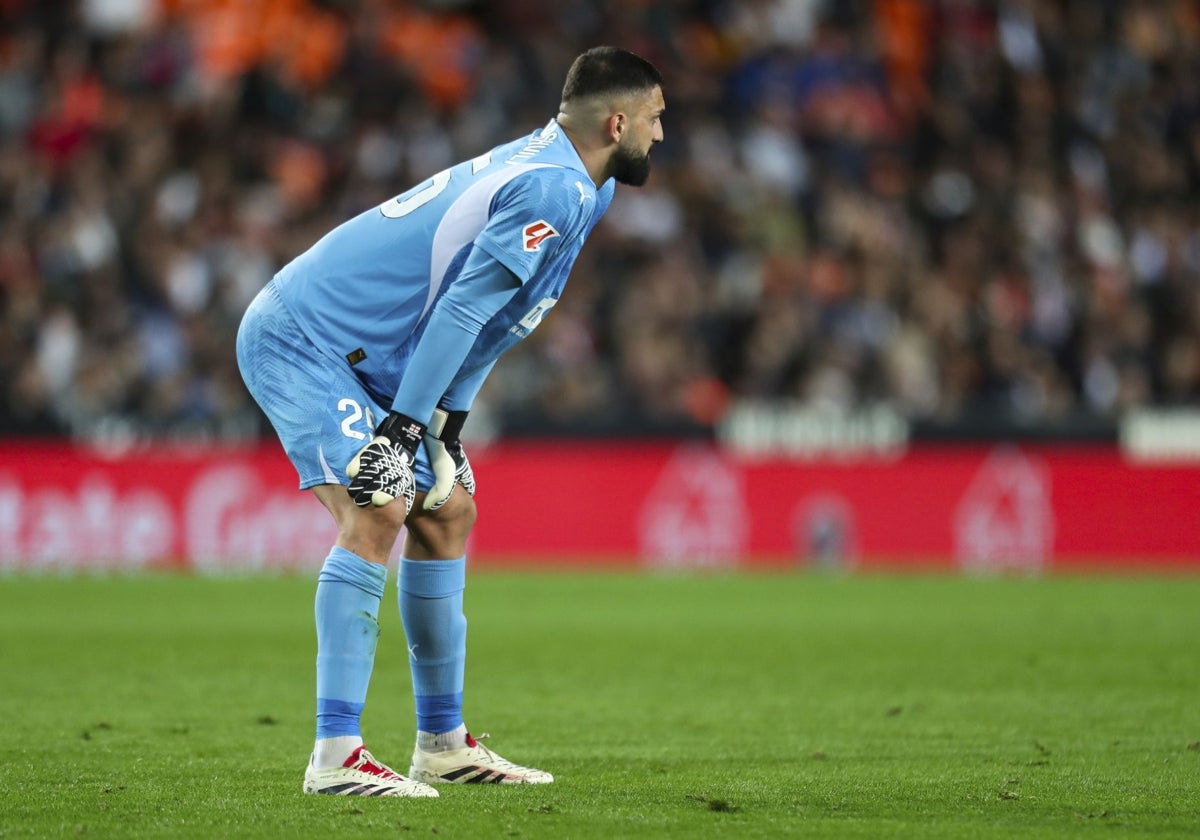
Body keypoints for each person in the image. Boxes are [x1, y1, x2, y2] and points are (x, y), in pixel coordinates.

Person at [236, 46, 665, 797]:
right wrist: (405, 431)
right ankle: (335, 754)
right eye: (657, 119)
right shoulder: (554, 189)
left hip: (369, 359)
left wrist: (445, 423)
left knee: (447, 512)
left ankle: (442, 745)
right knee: (383, 502)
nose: (662, 135)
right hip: (304, 337)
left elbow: (498, 318)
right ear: (617, 121)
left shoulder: (585, 188)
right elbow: (465, 307)